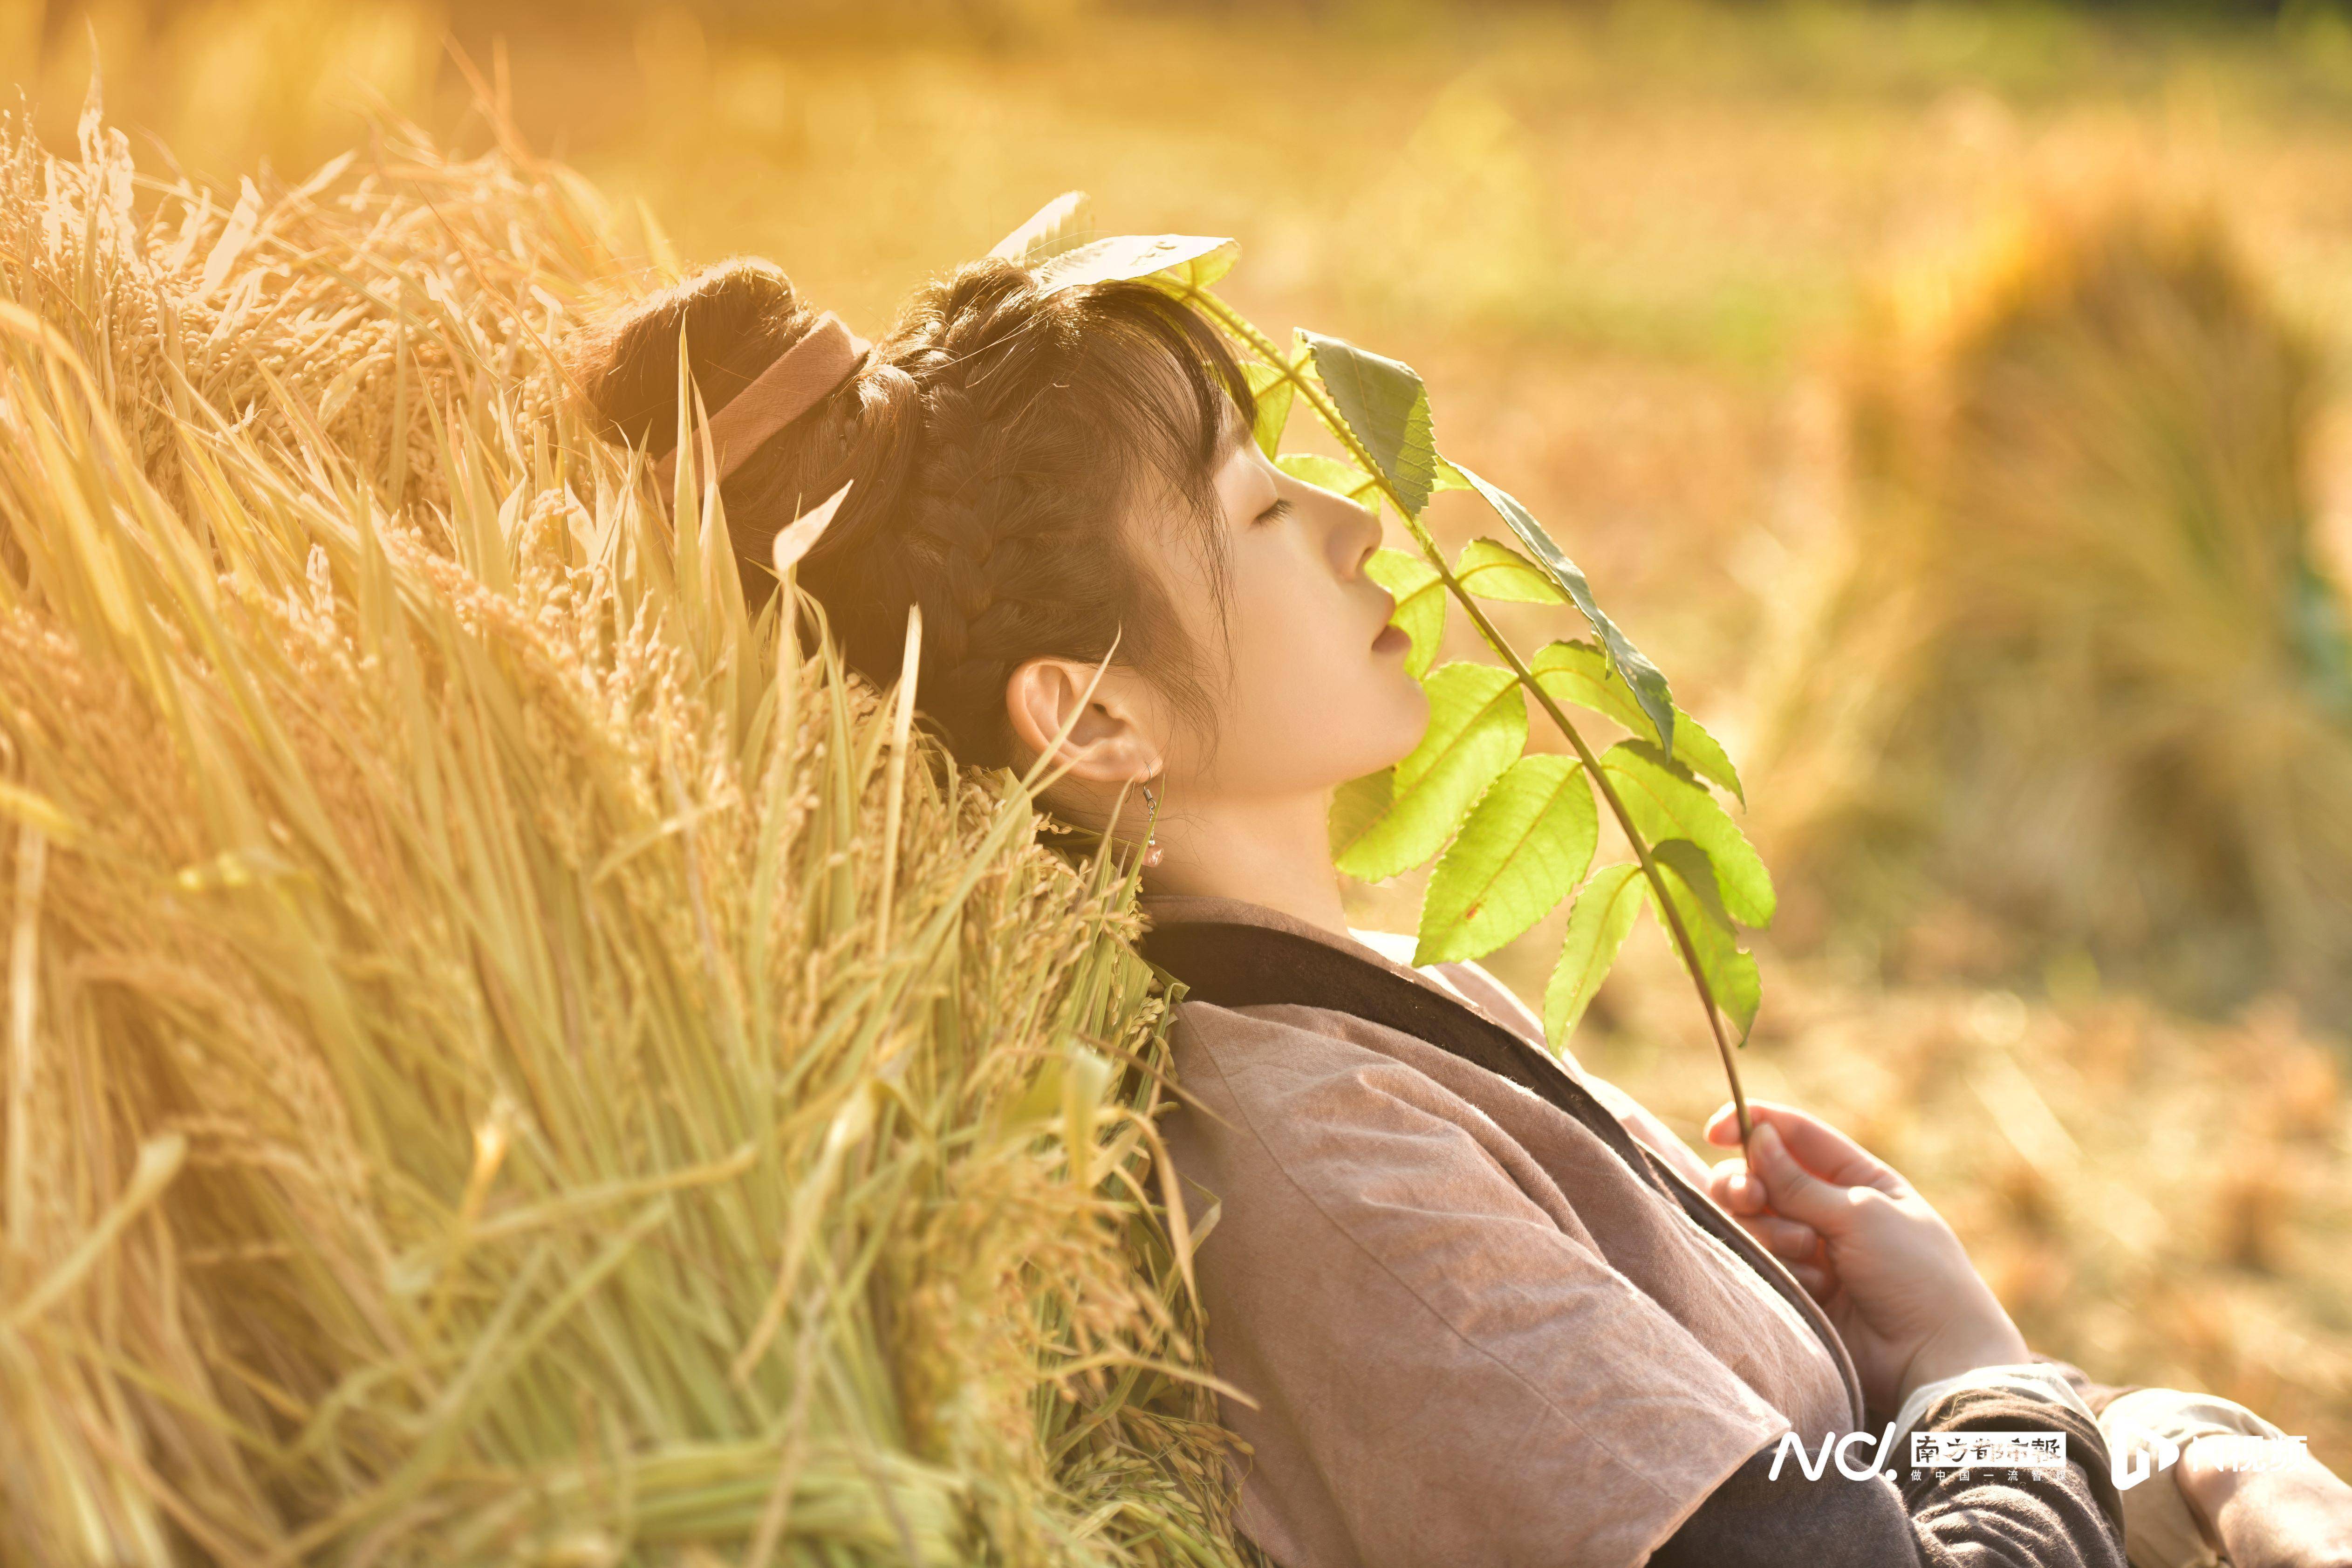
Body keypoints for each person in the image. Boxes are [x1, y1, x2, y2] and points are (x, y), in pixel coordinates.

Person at [569, 253, 2352, 1568]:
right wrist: (1980, 1364)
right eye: (1255, 507)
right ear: (1095, 717)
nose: (1359, 526)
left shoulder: (1369, 1009)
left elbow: (1811, 1493)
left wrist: (2185, 1446)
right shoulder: (1329, 1172)